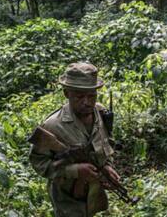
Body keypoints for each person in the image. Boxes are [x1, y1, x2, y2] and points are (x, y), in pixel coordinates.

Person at [29, 62, 120, 217]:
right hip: (68, 199)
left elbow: (107, 143)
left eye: (92, 96)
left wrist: (107, 166)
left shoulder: (100, 113)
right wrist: (75, 171)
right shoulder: (53, 125)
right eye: (79, 96)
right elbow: (39, 163)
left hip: (94, 194)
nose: (87, 102)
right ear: (66, 93)